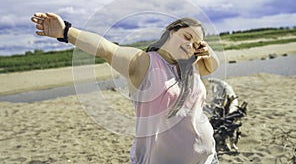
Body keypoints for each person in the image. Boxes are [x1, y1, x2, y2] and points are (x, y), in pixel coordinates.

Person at [31, 12, 220, 164]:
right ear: (172, 31)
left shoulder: (192, 65)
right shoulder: (144, 63)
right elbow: (107, 49)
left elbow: (214, 65)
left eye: (196, 43)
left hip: (208, 158)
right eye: (187, 36)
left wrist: (206, 49)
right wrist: (65, 32)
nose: (190, 44)